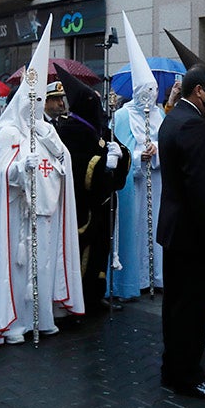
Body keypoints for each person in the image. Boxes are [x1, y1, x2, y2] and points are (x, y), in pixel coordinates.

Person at [0, 19, 84, 344]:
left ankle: (43, 316)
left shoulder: (47, 131)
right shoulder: (8, 132)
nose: (35, 109)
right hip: (17, 215)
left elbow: (64, 163)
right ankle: (14, 322)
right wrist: (21, 169)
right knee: (17, 268)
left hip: (45, 212)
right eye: (31, 103)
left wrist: (53, 151)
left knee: (44, 267)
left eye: (39, 104)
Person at [158, 64, 205, 399]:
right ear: (198, 91)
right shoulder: (191, 124)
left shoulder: (172, 118)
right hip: (191, 235)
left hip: (176, 231)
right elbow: (199, 185)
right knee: (191, 308)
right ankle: (189, 376)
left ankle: (171, 369)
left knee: (174, 305)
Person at [53, 69, 130, 311]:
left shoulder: (98, 127)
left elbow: (117, 147)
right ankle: (81, 297)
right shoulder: (69, 130)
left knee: (101, 249)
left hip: (104, 201)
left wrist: (121, 154)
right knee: (84, 250)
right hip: (84, 203)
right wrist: (101, 164)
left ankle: (97, 295)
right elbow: (76, 165)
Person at [107, 12, 164, 302]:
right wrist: (141, 154)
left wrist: (157, 149)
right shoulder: (121, 116)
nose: (150, 95)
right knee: (134, 230)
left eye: (154, 90)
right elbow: (118, 150)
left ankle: (154, 276)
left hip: (157, 178)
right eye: (146, 89)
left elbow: (165, 141)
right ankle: (132, 280)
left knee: (154, 229)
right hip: (135, 183)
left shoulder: (161, 114)